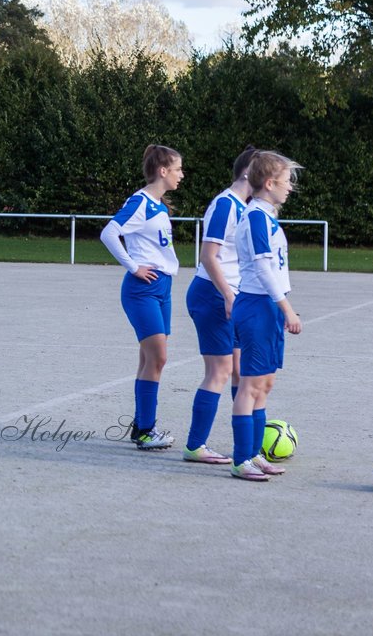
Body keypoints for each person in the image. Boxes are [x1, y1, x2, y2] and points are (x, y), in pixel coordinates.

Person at [100, 144, 184, 451]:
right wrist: (134, 267)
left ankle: (141, 426)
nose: (181, 175)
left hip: (162, 287)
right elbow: (109, 232)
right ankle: (147, 430)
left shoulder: (159, 206)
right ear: (162, 171)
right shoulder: (141, 202)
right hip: (142, 290)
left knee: (149, 359)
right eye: (177, 169)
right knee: (158, 358)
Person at [229, 150, 303, 482]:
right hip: (257, 306)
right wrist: (285, 308)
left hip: (269, 307)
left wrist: (282, 305)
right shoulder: (256, 217)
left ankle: (255, 453)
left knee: (265, 385)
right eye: (287, 181)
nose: (290, 188)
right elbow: (261, 266)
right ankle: (241, 458)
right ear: (270, 183)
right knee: (249, 385)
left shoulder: (267, 216)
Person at [182, 146, 257, 465]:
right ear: (249, 172)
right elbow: (208, 256)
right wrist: (228, 295)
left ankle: (248, 447)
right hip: (212, 293)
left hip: (230, 294)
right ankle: (195, 446)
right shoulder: (225, 204)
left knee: (241, 371)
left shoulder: (244, 207)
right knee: (220, 370)